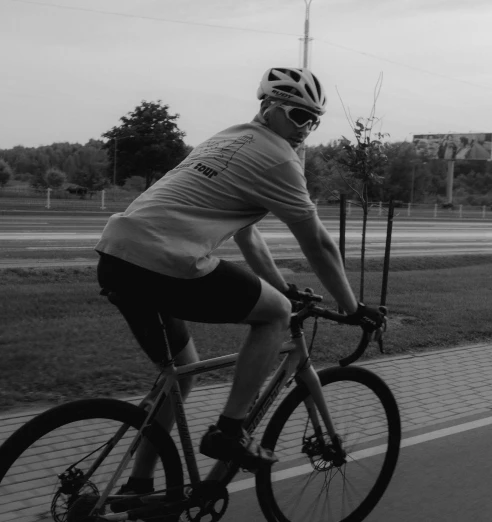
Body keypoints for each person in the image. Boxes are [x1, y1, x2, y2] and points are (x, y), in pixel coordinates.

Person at [94, 67, 384, 505]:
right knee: (275, 316)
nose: (306, 129)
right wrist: (351, 306)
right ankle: (229, 430)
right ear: (268, 107)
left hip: (117, 257)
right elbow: (319, 244)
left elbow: (248, 233)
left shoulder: (225, 138)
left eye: (314, 120)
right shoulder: (279, 159)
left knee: (180, 376)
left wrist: (277, 286)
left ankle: (140, 488)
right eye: (298, 116)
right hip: (165, 260)